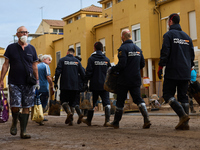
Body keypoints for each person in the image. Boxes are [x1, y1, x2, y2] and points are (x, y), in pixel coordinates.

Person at [106, 29, 151, 129]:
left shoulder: (123, 48)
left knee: (120, 100)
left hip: (124, 79)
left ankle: (116, 122)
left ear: (123, 37)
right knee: (138, 98)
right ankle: (146, 119)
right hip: (135, 79)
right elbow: (142, 64)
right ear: (130, 36)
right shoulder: (138, 49)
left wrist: (112, 69)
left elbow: (122, 64)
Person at [0, 26, 39, 139]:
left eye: (26, 32)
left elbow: (34, 66)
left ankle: (24, 131)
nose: (25, 34)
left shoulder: (32, 49)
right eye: (22, 32)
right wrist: (1, 79)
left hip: (29, 83)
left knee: (27, 106)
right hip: (14, 82)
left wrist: (37, 81)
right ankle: (14, 122)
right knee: (15, 106)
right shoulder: (11, 48)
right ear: (17, 34)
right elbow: (6, 64)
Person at [157, 13, 195, 130]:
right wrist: (189, 67)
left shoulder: (168, 35)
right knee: (183, 97)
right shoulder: (187, 37)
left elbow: (165, 52)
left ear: (170, 22)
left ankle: (182, 115)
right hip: (185, 72)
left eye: (168, 21)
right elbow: (192, 55)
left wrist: (160, 67)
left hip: (173, 70)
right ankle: (185, 124)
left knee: (167, 94)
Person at [82, 42, 111, 127]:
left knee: (92, 103)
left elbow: (89, 72)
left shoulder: (91, 59)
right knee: (106, 102)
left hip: (94, 84)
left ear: (94, 48)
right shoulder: (106, 59)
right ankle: (107, 121)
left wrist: (85, 82)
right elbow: (109, 72)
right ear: (102, 49)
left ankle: (88, 120)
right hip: (105, 85)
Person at [54, 48, 85, 126]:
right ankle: (71, 121)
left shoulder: (62, 60)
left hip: (65, 84)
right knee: (72, 103)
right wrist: (85, 83)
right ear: (73, 54)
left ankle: (69, 113)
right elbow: (82, 73)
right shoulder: (77, 61)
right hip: (75, 85)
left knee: (64, 101)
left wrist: (55, 82)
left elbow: (57, 72)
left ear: (67, 52)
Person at [37, 54, 54, 125]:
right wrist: (52, 85)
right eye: (49, 60)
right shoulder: (46, 66)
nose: (50, 62)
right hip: (44, 87)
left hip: (36, 87)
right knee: (44, 103)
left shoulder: (36, 66)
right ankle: (40, 117)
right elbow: (48, 77)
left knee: (38, 103)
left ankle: (38, 116)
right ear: (44, 59)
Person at [74, 56, 85, 124]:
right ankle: (81, 115)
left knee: (75, 102)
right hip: (81, 87)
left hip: (74, 87)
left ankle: (79, 114)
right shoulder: (83, 69)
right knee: (82, 102)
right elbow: (85, 77)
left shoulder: (73, 69)